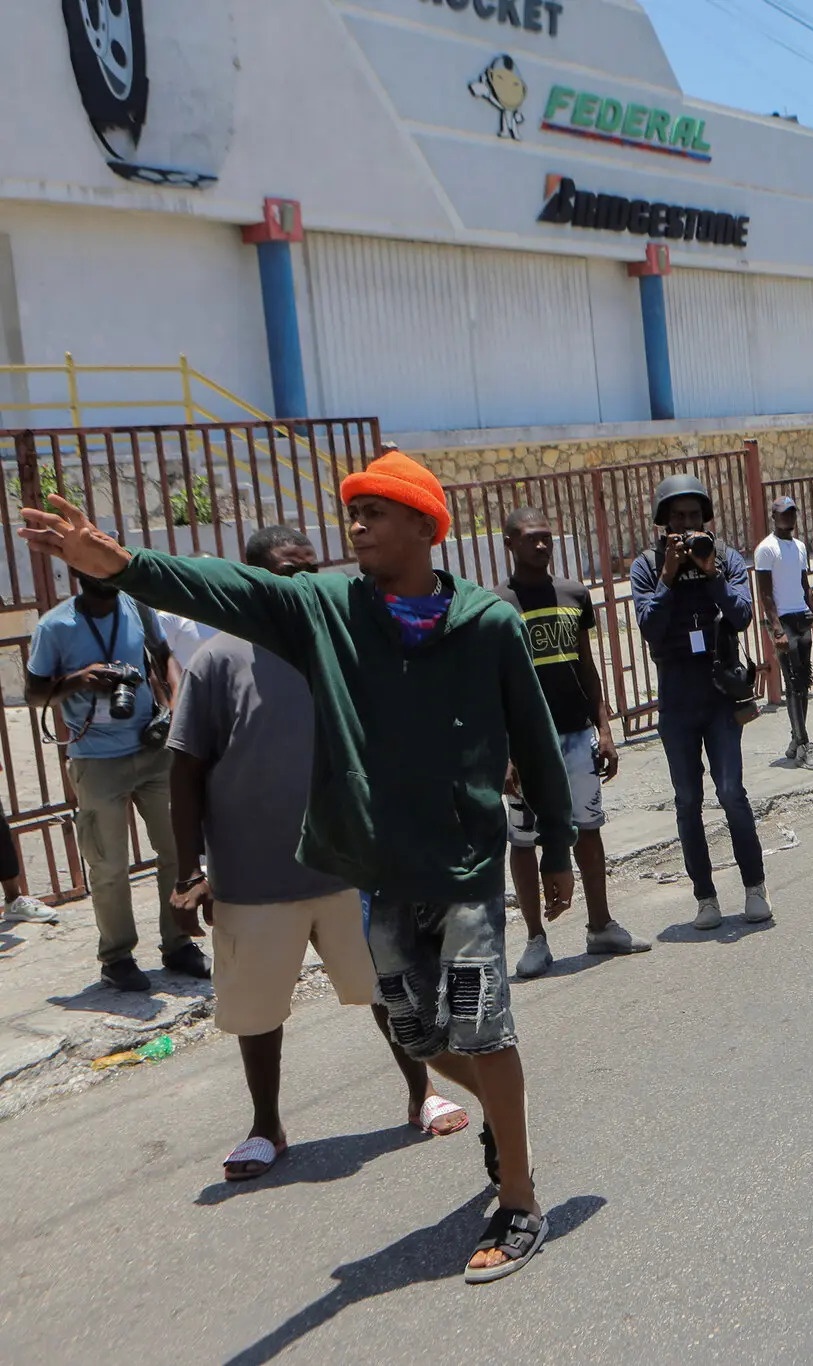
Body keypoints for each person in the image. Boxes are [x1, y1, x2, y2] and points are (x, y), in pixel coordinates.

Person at [19, 450, 574, 1283]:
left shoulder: (488, 623)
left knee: (480, 1023)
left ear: (425, 525)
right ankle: (507, 1112)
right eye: (350, 513)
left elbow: (534, 739)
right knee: (419, 1033)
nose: (355, 527)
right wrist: (126, 566)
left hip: (462, 872)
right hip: (379, 871)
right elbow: (225, 588)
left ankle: (521, 1199)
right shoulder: (328, 608)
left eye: (374, 513)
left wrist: (557, 848)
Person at [168, 524, 471, 1181]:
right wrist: (189, 870)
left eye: (312, 568)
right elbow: (185, 772)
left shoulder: (342, 651)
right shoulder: (219, 662)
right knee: (258, 1012)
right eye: (287, 571)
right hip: (252, 880)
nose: (305, 582)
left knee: (388, 990)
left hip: (350, 869)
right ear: (253, 580)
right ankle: (265, 1125)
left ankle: (422, 1094)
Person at [26, 569, 202, 992]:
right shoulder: (55, 625)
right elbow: (33, 694)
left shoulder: (136, 607)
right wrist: (79, 680)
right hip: (97, 758)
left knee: (176, 852)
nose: (101, 572)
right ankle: (118, 957)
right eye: (90, 564)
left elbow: (165, 659)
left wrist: (177, 704)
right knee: (108, 865)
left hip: (152, 746)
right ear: (75, 571)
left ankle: (178, 944)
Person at [497, 508, 649, 978]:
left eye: (547, 538)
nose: (542, 546)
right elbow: (492, 684)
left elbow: (587, 665)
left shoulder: (574, 594)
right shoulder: (497, 605)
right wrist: (504, 753)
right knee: (524, 841)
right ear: (510, 543)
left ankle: (600, 926)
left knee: (588, 827)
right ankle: (535, 940)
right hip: (525, 746)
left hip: (576, 734)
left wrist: (604, 729)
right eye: (531, 539)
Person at [630, 474, 772, 930]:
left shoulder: (725, 557)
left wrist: (710, 573)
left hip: (718, 693)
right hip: (676, 698)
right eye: (678, 518)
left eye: (694, 517)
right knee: (687, 800)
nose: (687, 527)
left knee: (731, 792)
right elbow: (649, 627)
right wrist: (669, 576)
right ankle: (706, 899)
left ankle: (755, 889)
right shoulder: (648, 566)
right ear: (662, 523)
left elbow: (742, 614)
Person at [755, 495, 813, 770]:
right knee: (793, 683)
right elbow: (764, 593)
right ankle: (804, 745)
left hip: (802, 619)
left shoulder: (799, 547)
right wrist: (776, 630)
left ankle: (796, 740)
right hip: (783, 621)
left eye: (793, 513)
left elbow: (805, 585)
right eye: (784, 514)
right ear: (774, 517)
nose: (790, 518)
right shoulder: (766, 549)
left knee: (804, 683)